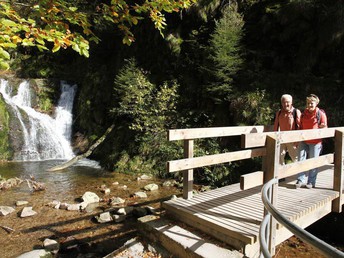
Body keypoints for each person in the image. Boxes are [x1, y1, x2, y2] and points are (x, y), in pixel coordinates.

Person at [295, 94, 327, 189]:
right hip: (304, 140)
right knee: (301, 159)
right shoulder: (304, 113)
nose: (309, 105)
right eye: (308, 103)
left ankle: (311, 182)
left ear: (316, 104)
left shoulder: (320, 114)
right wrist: (297, 139)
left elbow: (325, 127)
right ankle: (300, 180)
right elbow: (300, 127)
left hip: (316, 142)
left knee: (313, 161)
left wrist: (323, 127)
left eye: (311, 103)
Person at [273, 94, 301, 165]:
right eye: (283, 102)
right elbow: (276, 126)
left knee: (296, 158)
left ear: (291, 102)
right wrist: (275, 138)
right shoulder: (279, 113)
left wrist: (297, 140)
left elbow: (300, 127)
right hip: (281, 139)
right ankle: (281, 174)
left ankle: (299, 175)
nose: (285, 104)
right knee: (278, 157)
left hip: (292, 139)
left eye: (287, 102)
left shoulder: (296, 112)